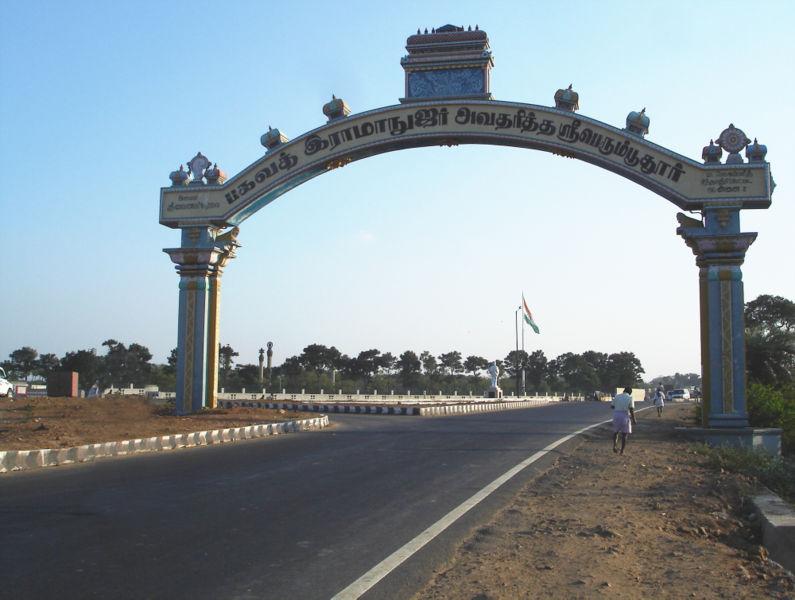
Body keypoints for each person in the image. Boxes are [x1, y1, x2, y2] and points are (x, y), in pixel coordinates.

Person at [611, 387, 636, 455]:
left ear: (624, 390)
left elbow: (612, 406)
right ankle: (622, 451)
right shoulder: (630, 397)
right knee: (624, 434)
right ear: (630, 392)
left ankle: (614, 445)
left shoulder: (617, 396)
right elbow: (631, 409)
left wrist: (618, 405)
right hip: (624, 415)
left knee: (616, 432)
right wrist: (634, 419)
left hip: (616, 415)